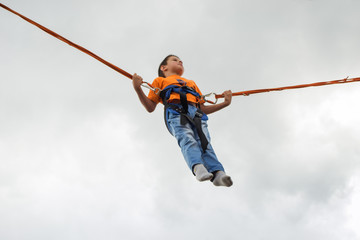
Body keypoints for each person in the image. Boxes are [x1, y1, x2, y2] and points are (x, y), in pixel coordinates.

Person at [132, 55, 233, 187]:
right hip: (176, 112)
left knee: (205, 142)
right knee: (188, 138)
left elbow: (202, 108)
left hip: (196, 114)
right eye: (175, 60)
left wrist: (225, 103)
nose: (180, 61)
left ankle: (218, 173)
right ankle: (198, 167)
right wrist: (138, 88)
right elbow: (150, 107)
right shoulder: (159, 81)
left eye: (181, 61)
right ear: (164, 67)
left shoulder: (191, 83)